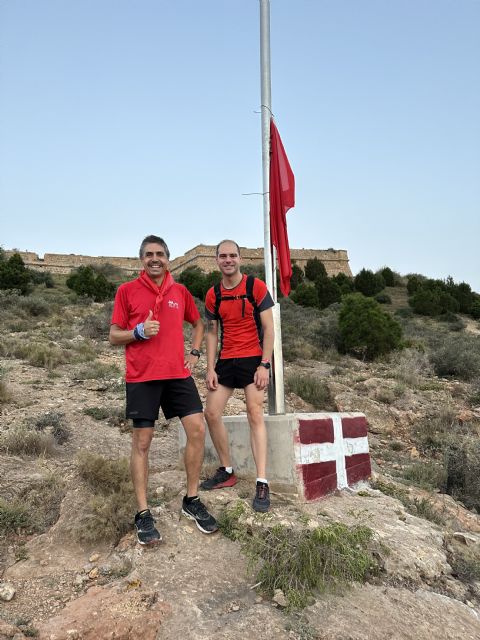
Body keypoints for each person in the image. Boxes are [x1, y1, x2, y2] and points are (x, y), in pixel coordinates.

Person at [109, 234, 217, 545]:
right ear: (141, 260)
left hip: (176, 375)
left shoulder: (179, 291)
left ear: (168, 258)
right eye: (148, 254)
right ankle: (143, 513)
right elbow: (114, 336)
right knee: (142, 442)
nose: (154, 259)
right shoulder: (126, 291)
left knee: (197, 429)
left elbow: (199, 324)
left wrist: (194, 353)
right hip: (142, 376)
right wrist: (137, 332)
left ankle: (192, 499)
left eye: (160, 254)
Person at [201, 239, 274, 512]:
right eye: (223, 256)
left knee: (255, 413)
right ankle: (227, 470)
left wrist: (264, 365)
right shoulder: (213, 294)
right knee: (211, 412)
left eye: (233, 255)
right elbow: (211, 332)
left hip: (254, 359)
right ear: (217, 260)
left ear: (240, 258)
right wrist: (209, 368)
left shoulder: (256, 287)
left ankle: (262, 481)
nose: (228, 260)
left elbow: (269, 328)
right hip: (226, 362)